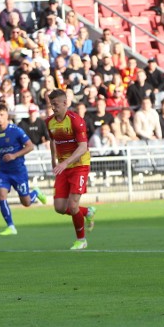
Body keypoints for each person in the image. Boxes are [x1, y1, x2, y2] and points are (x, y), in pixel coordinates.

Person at [0, 103, 47, 236]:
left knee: (26, 202)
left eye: (2, 115)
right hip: (3, 172)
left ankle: (35, 192)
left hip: (18, 172)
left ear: (7, 116)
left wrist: (14, 155)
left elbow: (30, 146)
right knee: (1, 195)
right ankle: (11, 226)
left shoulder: (16, 130)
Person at [45, 89, 96, 250]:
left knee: (73, 205)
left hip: (79, 166)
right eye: (51, 104)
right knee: (59, 207)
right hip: (62, 166)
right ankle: (87, 212)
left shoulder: (76, 121)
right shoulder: (49, 122)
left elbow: (83, 147)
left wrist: (65, 163)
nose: (53, 107)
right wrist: (54, 161)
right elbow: (53, 142)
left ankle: (81, 240)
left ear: (65, 103)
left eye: (56, 104)